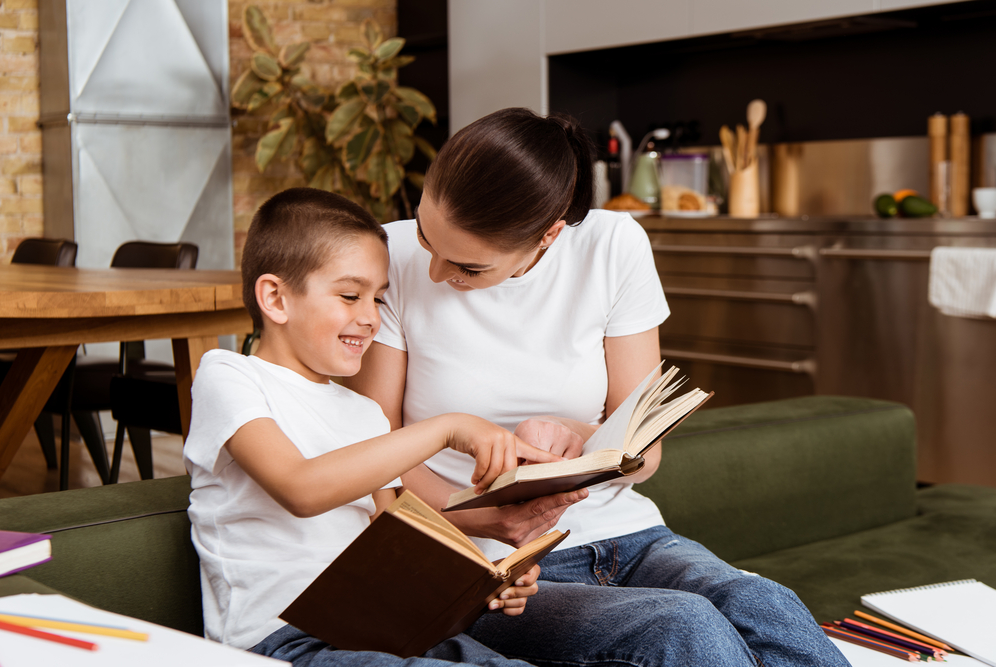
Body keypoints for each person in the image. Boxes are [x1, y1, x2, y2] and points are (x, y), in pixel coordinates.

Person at [345, 109, 851, 667]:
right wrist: (483, 519)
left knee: (762, 600)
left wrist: (577, 436)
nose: (436, 271)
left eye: (468, 267)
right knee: (681, 625)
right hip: (483, 561)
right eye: (425, 235)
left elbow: (644, 448)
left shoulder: (613, 244)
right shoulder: (390, 256)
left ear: (549, 234)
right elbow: (374, 452)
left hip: (626, 533)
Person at [183, 187, 560, 667]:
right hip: (279, 642)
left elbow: (395, 540)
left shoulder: (364, 414)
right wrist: (447, 428)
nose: (368, 318)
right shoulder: (229, 375)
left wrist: (485, 577)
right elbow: (301, 489)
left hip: (379, 630)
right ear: (275, 297)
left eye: (378, 299)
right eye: (349, 295)